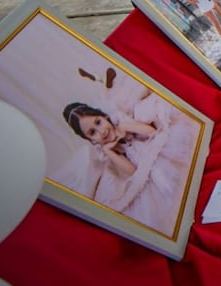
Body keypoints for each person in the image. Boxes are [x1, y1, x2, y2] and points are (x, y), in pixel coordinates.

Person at [62, 88, 196, 236]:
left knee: (168, 169)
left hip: (151, 147)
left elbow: (151, 132)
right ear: (90, 140)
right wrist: (110, 151)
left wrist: (124, 128)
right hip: (141, 166)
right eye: (92, 133)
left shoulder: (119, 120)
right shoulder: (104, 151)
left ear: (104, 116)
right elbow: (131, 171)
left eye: (98, 122)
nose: (102, 132)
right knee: (154, 187)